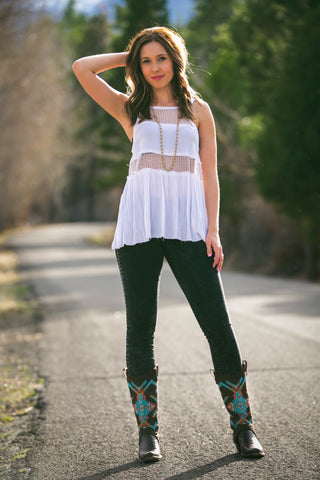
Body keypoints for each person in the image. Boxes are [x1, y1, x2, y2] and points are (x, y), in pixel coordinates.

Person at [73, 26, 264, 463]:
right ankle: (148, 435)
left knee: (217, 324)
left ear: (176, 60)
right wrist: (129, 55)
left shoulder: (199, 111)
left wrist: (212, 230)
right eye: (146, 61)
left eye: (161, 58)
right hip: (139, 227)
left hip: (189, 226)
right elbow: (81, 68)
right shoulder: (129, 109)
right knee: (141, 328)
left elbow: (210, 173)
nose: (154, 67)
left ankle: (243, 428)